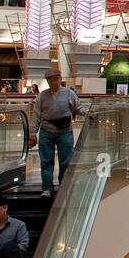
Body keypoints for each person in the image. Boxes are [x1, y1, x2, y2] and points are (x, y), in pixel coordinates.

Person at [28, 68, 89, 198]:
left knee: (65, 161)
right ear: (48, 81)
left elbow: (77, 107)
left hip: (65, 131)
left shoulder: (69, 94)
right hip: (46, 131)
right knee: (46, 161)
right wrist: (33, 133)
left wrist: (86, 113)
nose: (53, 82)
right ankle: (47, 189)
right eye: (50, 80)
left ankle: (64, 187)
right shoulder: (42, 96)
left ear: (60, 79)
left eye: (55, 79)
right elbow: (36, 115)